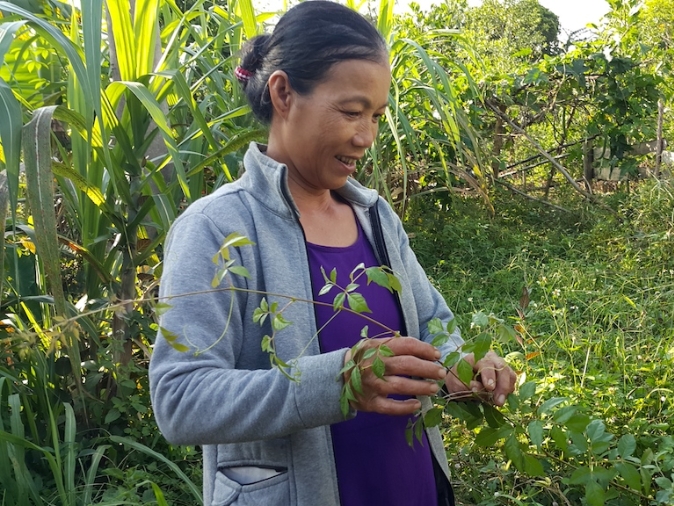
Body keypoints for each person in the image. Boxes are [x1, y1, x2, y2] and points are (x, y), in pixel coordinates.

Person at [148, 2, 517, 505]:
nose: (365, 137)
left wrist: (462, 364)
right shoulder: (216, 229)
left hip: (408, 486)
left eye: (376, 116)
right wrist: (336, 380)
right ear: (283, 92)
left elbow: (431, 323)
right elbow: (180, 401)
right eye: (350, 111)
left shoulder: (376, 218)